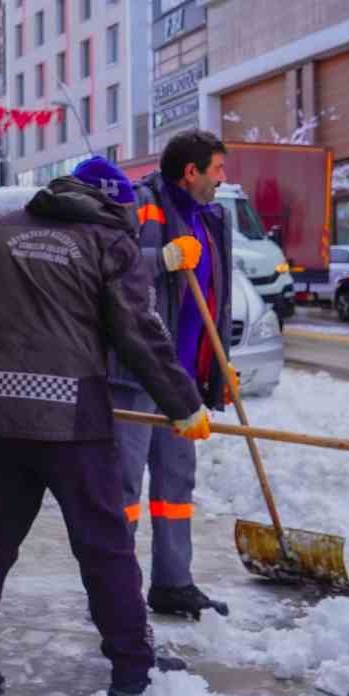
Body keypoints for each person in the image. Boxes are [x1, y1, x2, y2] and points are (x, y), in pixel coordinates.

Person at [0, 157, 211, 696]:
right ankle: (133, 669)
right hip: (70, 420)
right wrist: (184, 405)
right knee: (105, 548)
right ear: (112, 203)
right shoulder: (107, 242)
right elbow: (139, 333)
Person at [111, 130, 235, 620]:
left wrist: (220, 365)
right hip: (138, 371)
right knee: (124, 489)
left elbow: (216, 296)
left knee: (175, 485)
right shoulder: (139, 204)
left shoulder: (214, 218)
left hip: (182, 381)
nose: (223, 179)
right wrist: (159, 259)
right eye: (218, 170)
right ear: (192, 171)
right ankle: (116, 592)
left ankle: (173, 582)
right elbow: (106, 267)